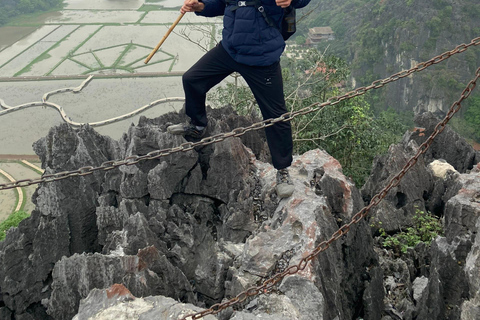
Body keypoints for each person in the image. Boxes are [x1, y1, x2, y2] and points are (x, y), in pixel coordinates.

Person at [167, 0, 311, 198]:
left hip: (262, 56)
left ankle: (283, 169)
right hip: (230, 49)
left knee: (275, 115)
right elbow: (220, 4)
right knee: (192, 79)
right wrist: (200, 7)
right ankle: (198, 125)